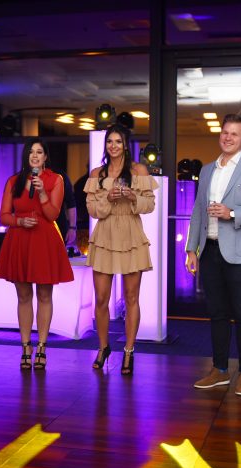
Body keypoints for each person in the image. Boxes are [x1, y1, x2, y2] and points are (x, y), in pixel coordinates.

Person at [185, 114, 241, 397]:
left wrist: (233, 213)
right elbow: (198, 210)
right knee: (217, 314)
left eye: (234, 134)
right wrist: (191, 249)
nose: (228, 137)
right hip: (210, 251)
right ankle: (220, 370)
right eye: (225, 132)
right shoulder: (208, 170)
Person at [0, 138, 74, 370]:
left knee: (45, 295)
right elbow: (3, 216)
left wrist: (42, 193)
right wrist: (19, 221)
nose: (35, 156)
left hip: (45, 240)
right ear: (26, 156)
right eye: (31, 152)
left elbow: (53, 214)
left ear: (45, 157)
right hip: (20, 239)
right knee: (23, 296)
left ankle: (42, 347)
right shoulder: (13, 181)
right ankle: (26, 347)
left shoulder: (55, 179)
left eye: (39, 152)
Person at [84, 124, 157, 375]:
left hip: (130, 235)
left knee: (131, 297)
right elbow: (92, 210)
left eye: (118, 141)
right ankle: (103, 347)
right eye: (109, 141)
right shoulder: (97, 173)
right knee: (101, 299)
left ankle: (128, 350)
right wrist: (108, 198)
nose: (113, 146)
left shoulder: (139, 170)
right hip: (104, 235)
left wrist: (134, 197)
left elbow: (150, 205)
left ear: (126, 145)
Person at [55, 171, 78, 248]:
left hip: (58, 226)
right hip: (34, 225)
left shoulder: (59, 175)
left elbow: (70, 202)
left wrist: (72, 227)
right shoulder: (25, 176)